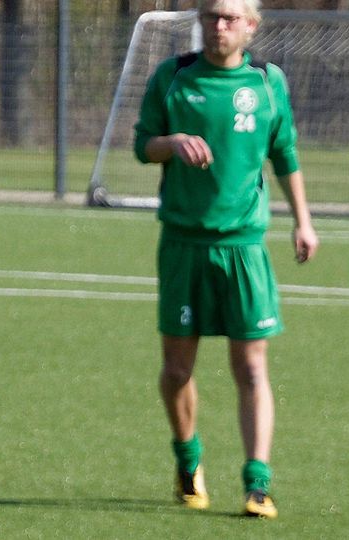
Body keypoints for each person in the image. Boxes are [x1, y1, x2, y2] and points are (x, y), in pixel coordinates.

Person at [133, 0, 318, 519]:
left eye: (230, 18)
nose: (219, 26)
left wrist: (303, 221)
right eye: (211, 16)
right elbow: (143, 146)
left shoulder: (267, 83)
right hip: (183, 244)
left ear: (251, 26)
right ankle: (187, 460)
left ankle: (258, 484)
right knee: (176, 369)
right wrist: (172, 142)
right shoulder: (172, 77)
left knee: (252, 367)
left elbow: (285, 153)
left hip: (244, 247)